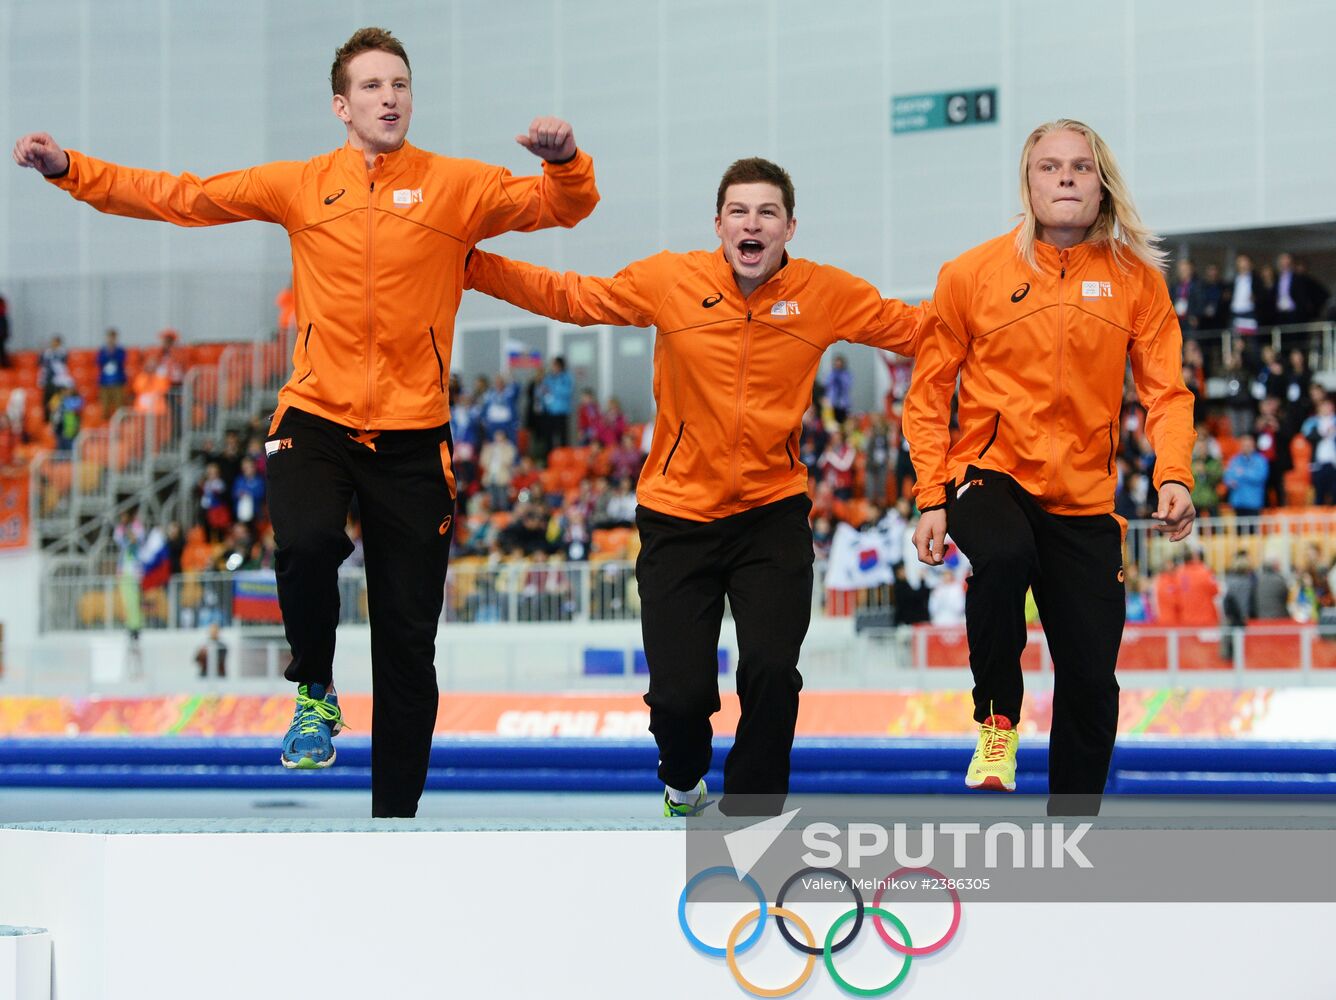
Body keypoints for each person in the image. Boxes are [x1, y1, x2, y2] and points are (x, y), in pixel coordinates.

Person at [14, 26, 599, 818]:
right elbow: (182, 196)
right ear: (340, 105)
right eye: (371, 86)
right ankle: (315, 689)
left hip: (413, 435)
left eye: (400, 84)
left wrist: (563, 160)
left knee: (405, 641)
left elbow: (561, 208)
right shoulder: (299, 184)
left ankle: (395, 815)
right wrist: (69, 170)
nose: (389, 97)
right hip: (315, 412)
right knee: (311, 540)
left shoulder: (455, 186)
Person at [465, 156, 923, 816]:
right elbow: (572, 295)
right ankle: (683, 781)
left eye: (767, 212)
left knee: (770, 671)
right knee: (679, 697)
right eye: (739, 211)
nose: (752, 223)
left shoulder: (825, 293)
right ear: (718, 223)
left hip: (771, 512)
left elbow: (917, 329)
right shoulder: (671, 280)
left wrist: (1007, 312)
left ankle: (754, 815)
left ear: (790, 227)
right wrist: (475, 266)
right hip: (678, 515)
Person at [905, 119, 1196, 816]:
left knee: (1093, 680)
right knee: (1001, 556)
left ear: (1101, 186)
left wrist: (1175, 474)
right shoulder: (971, 275)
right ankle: (998, 721)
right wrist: (931, 496)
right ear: (1027, 183)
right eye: (1049, 167)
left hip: (1085, 498)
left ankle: (1073, 827)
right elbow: (927, 394)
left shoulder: (1136, 284)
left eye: (1080, 167)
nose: (1065, 177)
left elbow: (1166, 392)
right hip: (991, 472)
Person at [97, 328, 130, 415]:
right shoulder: (102, 351)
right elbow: (99, 362)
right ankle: (105, 424)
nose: (111, 339)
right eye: (109, 337)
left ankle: (120, 424)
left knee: (119, 404)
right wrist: (109, 353)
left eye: (113, 337)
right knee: (105, 406)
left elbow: (121, 360)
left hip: (117, 382)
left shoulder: (120, 350)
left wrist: (112, 353)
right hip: (105, 382)